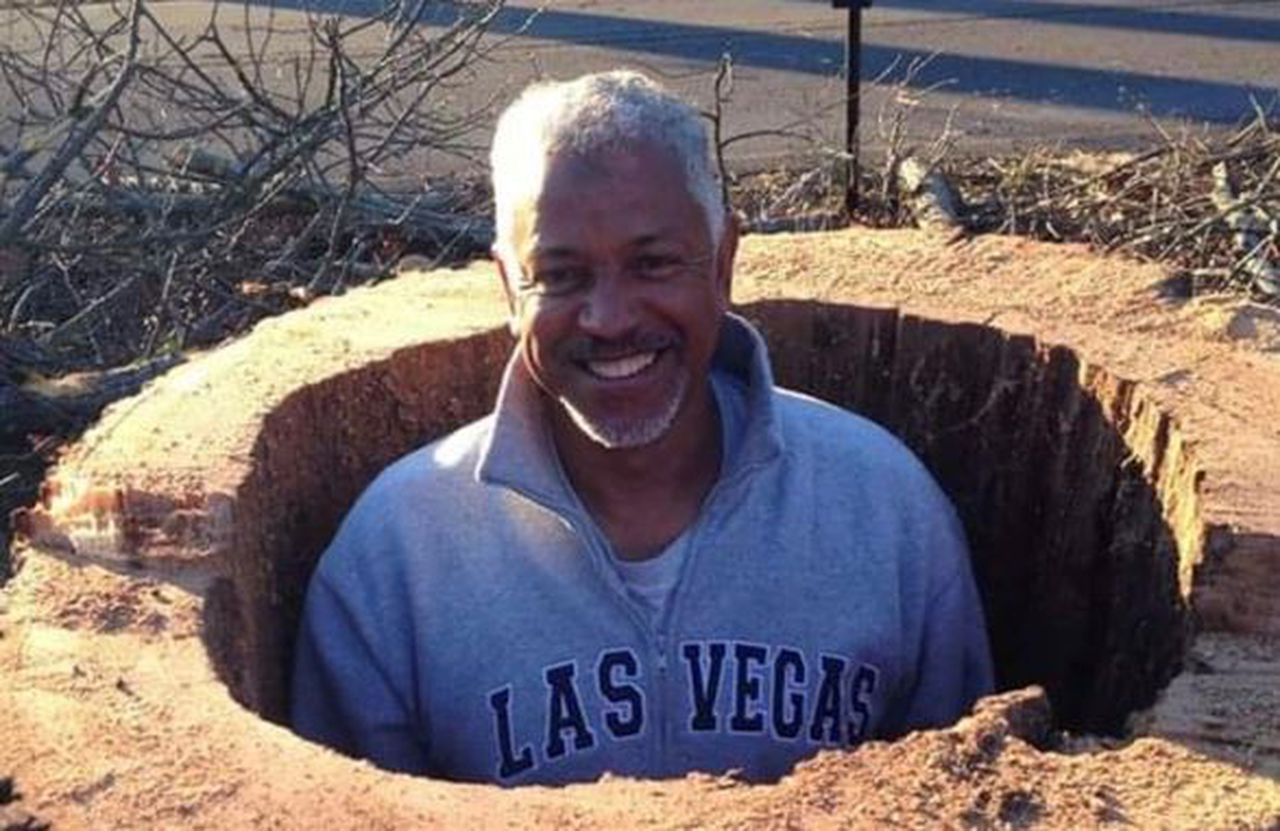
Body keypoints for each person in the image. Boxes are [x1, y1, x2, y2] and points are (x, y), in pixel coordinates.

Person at [291, 70, 993, 786]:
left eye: (653, 264)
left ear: (722, 263)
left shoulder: (887, 512)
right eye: (560, 275)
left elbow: (973, 792)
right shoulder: (394, 558)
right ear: (508, 287)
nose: (610, 318)